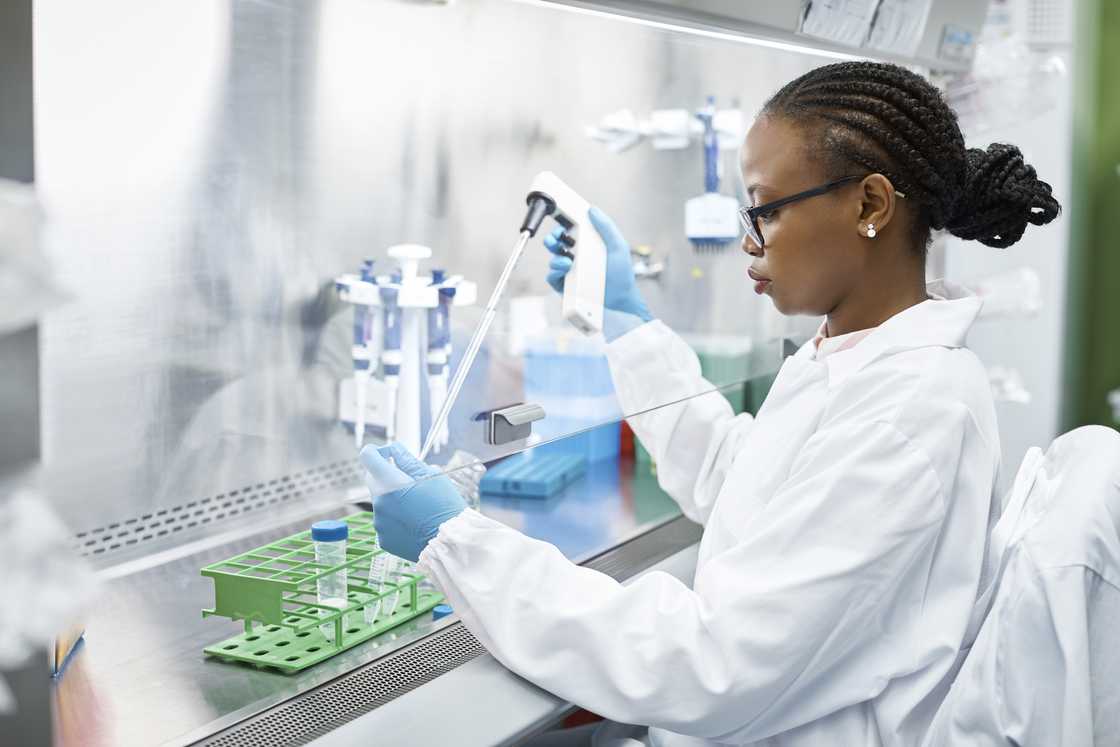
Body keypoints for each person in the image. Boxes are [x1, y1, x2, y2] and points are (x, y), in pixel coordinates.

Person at [360, 61, 1061, 746]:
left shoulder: (911, 409)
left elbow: (713, 666)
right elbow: (744, 482)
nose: (750, 241)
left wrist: (455, 543)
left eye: (768, 209)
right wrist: (628, 326)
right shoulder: (851, 356)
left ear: (870, 204)